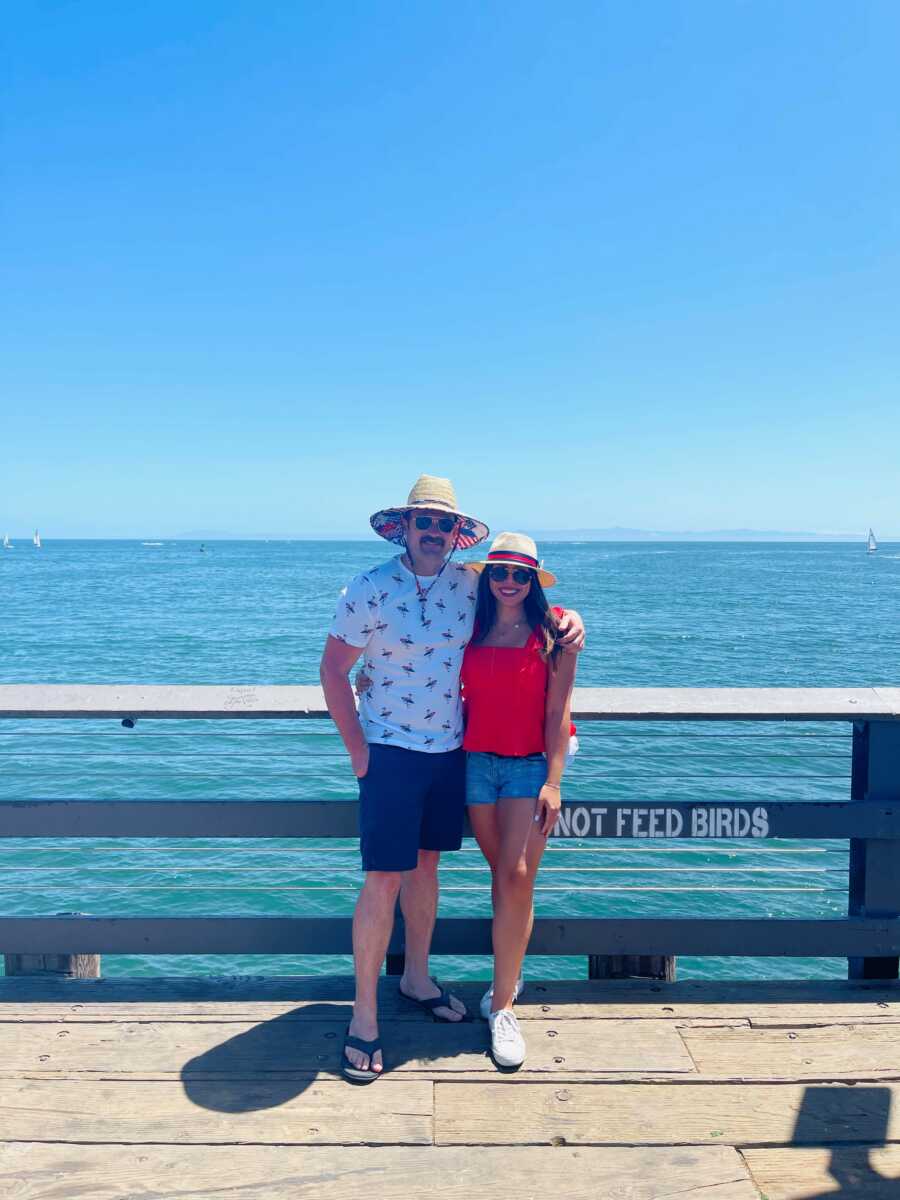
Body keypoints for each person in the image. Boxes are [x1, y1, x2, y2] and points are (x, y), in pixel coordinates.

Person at [320, 475, 584, 1083]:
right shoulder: (368, 588)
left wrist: (575, 624)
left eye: (445, 525)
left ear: (455, 534)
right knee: (384, 878)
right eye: (425, 522)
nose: (435, 532)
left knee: (428, 868)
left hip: (450, 752)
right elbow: (334, 670)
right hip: (388, 751)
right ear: (404, 527)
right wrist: (358, 750)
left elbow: (535, 611)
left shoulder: (470, 584)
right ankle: (363, 1018)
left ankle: (415, 978)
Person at [461, 532, 578, 1069]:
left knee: (515, 876)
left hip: (528, 766)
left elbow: (557, 714)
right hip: (473, 762)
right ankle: (511, 969)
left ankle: (502, 1005)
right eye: (500, 572)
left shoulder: (554, 633)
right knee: (503, 876)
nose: (509, 582)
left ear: (533, 581)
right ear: (488, 577)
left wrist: (553, 782)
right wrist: (367, 673)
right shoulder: (467, 623)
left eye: (520, 574)